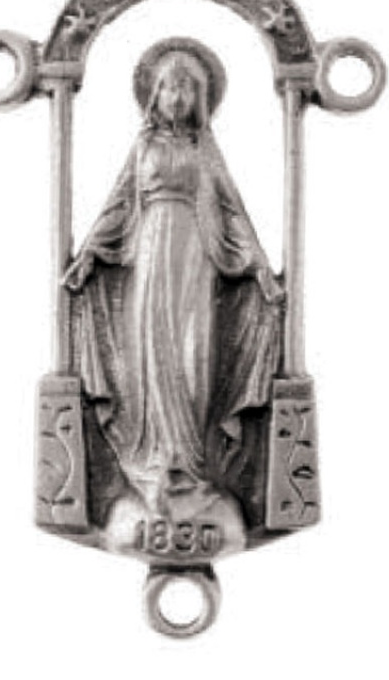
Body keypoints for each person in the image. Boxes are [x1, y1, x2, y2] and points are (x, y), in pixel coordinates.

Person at [64, 38, 282, 549]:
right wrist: (89, 254)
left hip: (198, 262)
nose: (178, 96)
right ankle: (154, 464)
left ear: (201, 97)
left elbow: (231, 214)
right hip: (149, 261)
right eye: (169, 86)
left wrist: (259, 267)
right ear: (154, 94)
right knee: (152, 361)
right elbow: (119, 207)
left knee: (193, 360)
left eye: (188, 87)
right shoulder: (143, 149)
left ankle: (192, 467)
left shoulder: (205, 153)